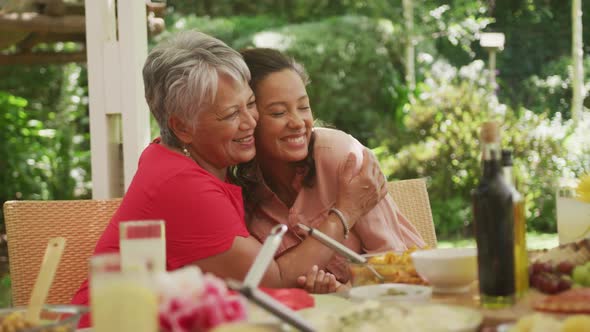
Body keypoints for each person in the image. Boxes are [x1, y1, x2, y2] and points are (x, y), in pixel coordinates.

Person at [71, 31, 388, 327]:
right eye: (230, 115)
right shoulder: (181, 185)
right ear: (182, 127)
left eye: (250, 104)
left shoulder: (180, 161)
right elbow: (269, 280)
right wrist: (345, 212)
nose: (251, 122)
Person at [233, 48, 426, 288]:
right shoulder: (242, 193)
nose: (297, 123)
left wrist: (345, 291)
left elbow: (391, 260)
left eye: (303, 107)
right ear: (248, 118)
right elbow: (272, 282)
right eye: (279, 112)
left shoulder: (342, 157)